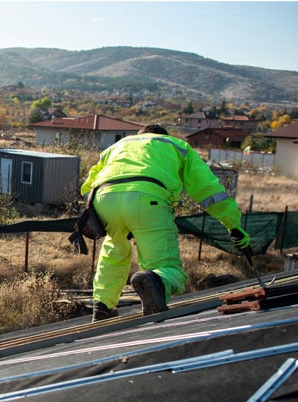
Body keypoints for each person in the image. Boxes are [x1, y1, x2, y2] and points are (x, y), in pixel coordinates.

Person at [81, 124, 251, 321]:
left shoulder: (116, 147)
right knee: (165, 265)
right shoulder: (176, 145)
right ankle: (156, 281)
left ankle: (102, 305)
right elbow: (208, 190)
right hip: (148, 199)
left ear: (141, 136)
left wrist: (105, 213)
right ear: (161, 135)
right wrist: (233, 225)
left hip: (104, 199)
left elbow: (86, 187)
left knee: (114, 249)